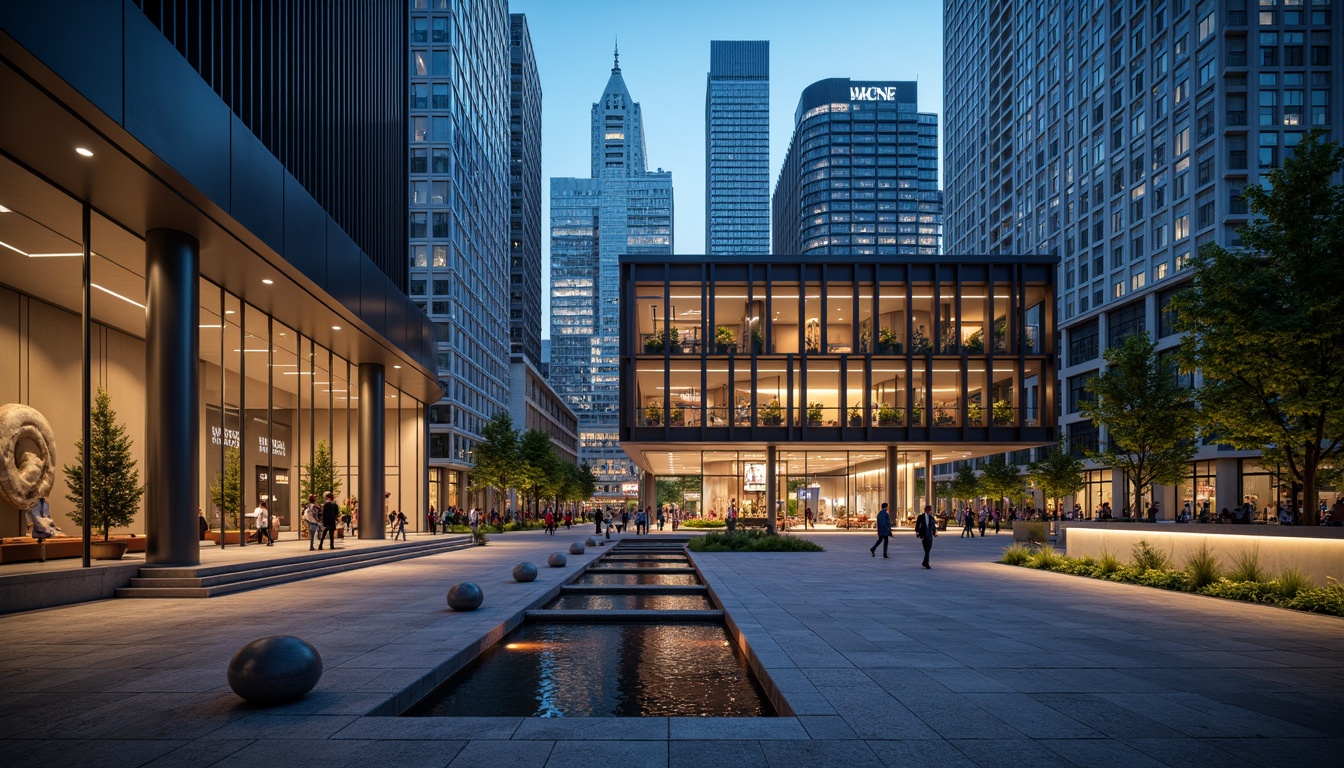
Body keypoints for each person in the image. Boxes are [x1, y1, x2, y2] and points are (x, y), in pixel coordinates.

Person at [25, 497, 58, 563]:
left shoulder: (45, 503)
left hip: (43, 527)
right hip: (40, 527)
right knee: (41, 540)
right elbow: (35, 517)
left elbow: (46, 515)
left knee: (42, 541)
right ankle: (40, 556)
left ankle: (41, 556)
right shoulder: (34, 505)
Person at [915, 504, 937, 569]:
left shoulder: (931, 517)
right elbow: (917, 526)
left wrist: (935, 532)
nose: (930, 511)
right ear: (926, 510)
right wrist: (918, 534)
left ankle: (925, 563)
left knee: (928, 550)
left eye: (931, 510)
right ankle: (926, 563)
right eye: (930, 510)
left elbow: (933, 526)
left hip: (930, 535)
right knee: (926, 550)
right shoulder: (920, 517)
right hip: (924, 535)